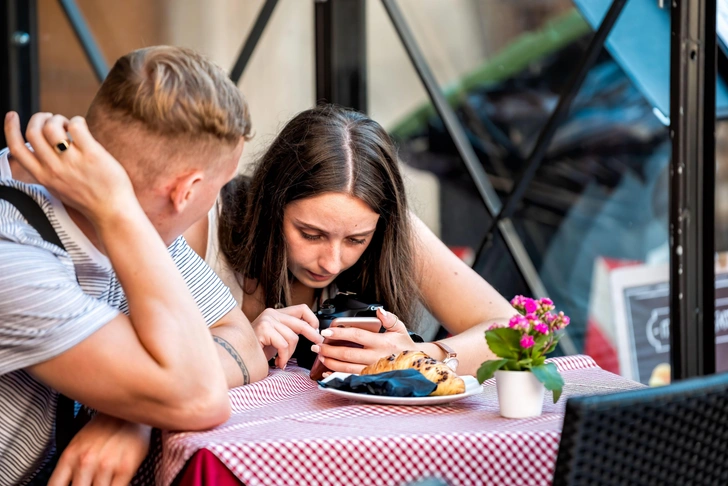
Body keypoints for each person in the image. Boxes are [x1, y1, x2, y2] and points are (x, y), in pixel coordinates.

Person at [0, 46, 291, 485]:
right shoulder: (15, 256)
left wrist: (130, 412)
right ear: (187, 190)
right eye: (221, 185)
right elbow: (200, 396)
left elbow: (242, 341)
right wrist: (161, 397)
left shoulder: (140, 224)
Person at [184, 104, 516, 378]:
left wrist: (419, 354)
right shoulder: (202, 223)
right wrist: (236, 350)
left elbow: (518, 333)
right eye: (311, 234)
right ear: (273, 204)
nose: (331, 261)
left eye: (357, 240)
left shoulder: (389, 227)